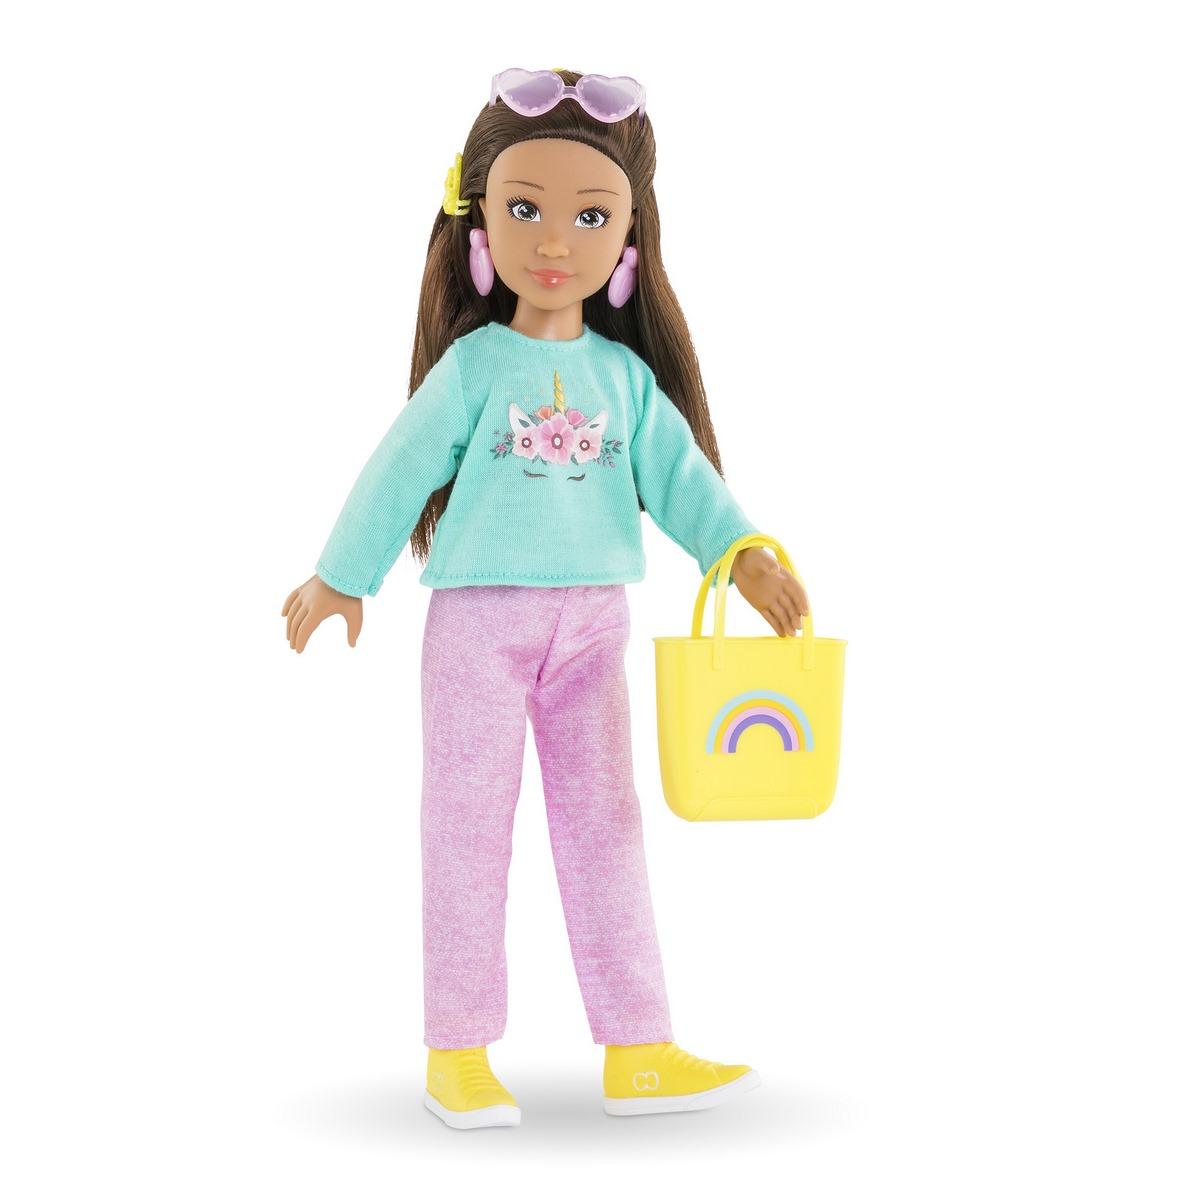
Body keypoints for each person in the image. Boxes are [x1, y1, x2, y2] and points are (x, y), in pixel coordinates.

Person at [280, 67, 809, 1129]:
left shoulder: (625, 381)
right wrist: (344, 573)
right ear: (479, 222)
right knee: (466, 829)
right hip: (478, 622)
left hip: (593, 625)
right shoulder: (474, 368)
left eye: (590, 216)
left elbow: (683, 482)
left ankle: (640, 1046)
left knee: (608, 827)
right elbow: (399, 465)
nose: (556, 240)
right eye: (525, 210)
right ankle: (458, 1050)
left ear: (630, 238)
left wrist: (741, 554)